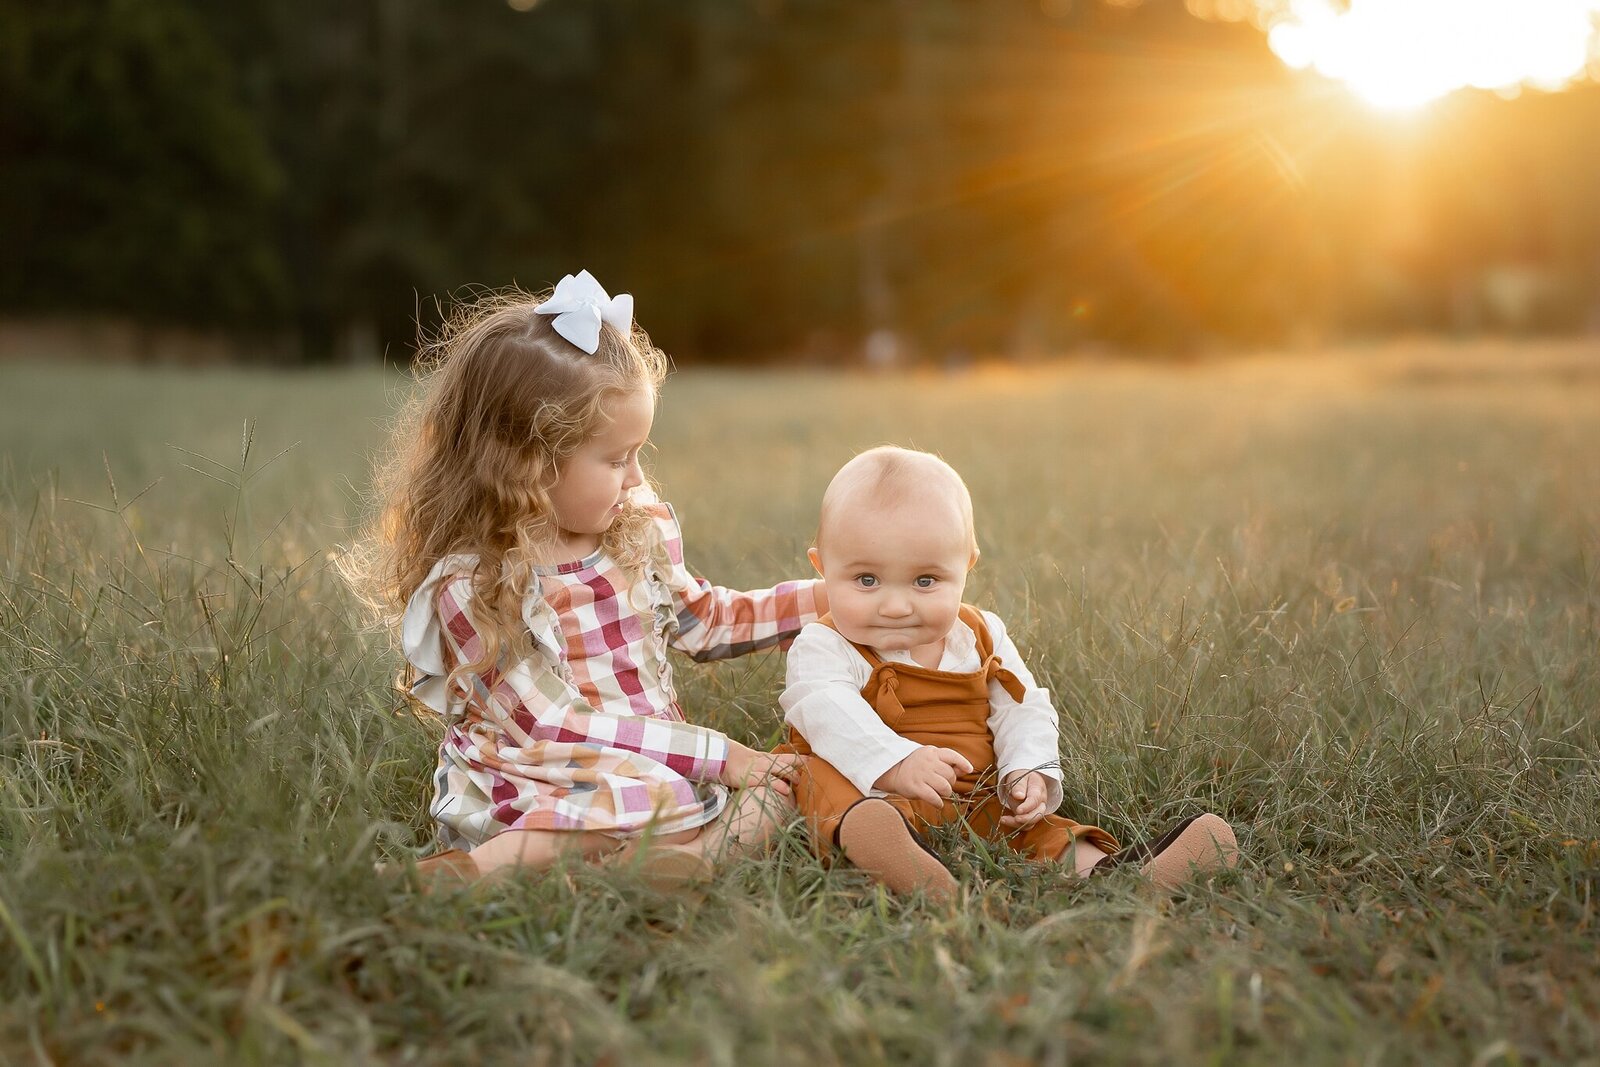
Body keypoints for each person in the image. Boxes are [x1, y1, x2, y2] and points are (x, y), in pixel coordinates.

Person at [347, 271, 819, 887]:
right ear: (529, 463)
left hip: (650, 763)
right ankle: (466, 876)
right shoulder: (475, 583)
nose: (635, 478)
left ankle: (654, 873)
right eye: (618, 458)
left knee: (768, 790)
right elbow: (551, 723)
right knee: (665, 798)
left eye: (639, 454)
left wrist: (830, 598)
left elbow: (703, 622)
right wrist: (719, 754)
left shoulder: (632, 531)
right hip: (538, 774)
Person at [779, 446, 1239, 901]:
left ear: (967, 567)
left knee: (1032, 827)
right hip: (875, 793)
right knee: (816, 778)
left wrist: (1027, 770)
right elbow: (825, 711)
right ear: (821, 568)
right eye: (866, 580)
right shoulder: (824, 645)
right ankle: (899, 860)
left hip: (973, 796)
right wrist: (894, 762)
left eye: (925, 582)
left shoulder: (980, 635)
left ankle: (1114, 877)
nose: (896, 606)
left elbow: (1022, 707)